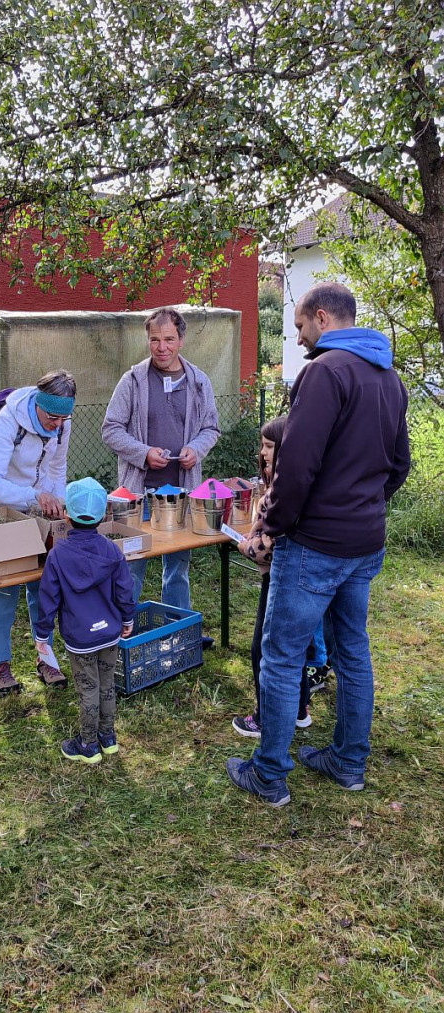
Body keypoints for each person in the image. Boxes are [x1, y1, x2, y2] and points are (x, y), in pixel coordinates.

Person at [227, 282, 410, 806]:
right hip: (364, 541)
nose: (300, 337)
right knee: (353, 651)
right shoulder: (388, 376)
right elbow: (398, 464)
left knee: (282, 656)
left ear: (323, 318)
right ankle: (349, 763)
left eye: (301, 326)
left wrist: (270, 527)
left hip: (314, 545)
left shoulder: (323, 372)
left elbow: (297, 464)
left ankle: (269, 774)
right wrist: (365, 506)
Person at [101, 307, 220, 611]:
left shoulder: (199, 382)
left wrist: (196, 448)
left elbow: (211, 428)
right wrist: (143, 454)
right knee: (130, 567)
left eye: (169, 339)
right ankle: (123, 630)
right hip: (138, 496)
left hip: (181, 496)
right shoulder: (133, 380)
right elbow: (111, 429)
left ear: (182, 339)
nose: (162, 347)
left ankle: (176, 627)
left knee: (178, 569)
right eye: (155, 340)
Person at [0, 369, 76, 695]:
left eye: (64, 418)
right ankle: (0, 664)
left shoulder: (61, 422)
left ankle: (46, 658)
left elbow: (57, 468)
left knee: (43, 585)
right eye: (52, 417)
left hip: (38, 503)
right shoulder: (10, 420)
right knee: (4, 588)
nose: (57, 424)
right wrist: (35, 496)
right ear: (38, 404)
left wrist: (56, 500)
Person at [33, 477, 135, 764]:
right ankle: (108, 738)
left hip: (80, 638)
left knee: (88, 688)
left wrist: (42, 635)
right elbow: (125, 590)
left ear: (66, 515)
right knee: (106, 684)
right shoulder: (113, 550)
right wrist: (128, 618)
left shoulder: (57, 554)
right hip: (110, 633)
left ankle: (88, 744)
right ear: (103, 516)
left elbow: (48, 599)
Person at [231, 416, 313, 738]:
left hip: (279, 576)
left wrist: (244, 545)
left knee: (263, 648)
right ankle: (299, 708)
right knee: (295, 645)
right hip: (302, 573)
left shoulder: (284, 489)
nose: (263, 452)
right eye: (262, 446)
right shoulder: (296, 480)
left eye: (268, 446)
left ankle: (264, 717)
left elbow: (268, 548)